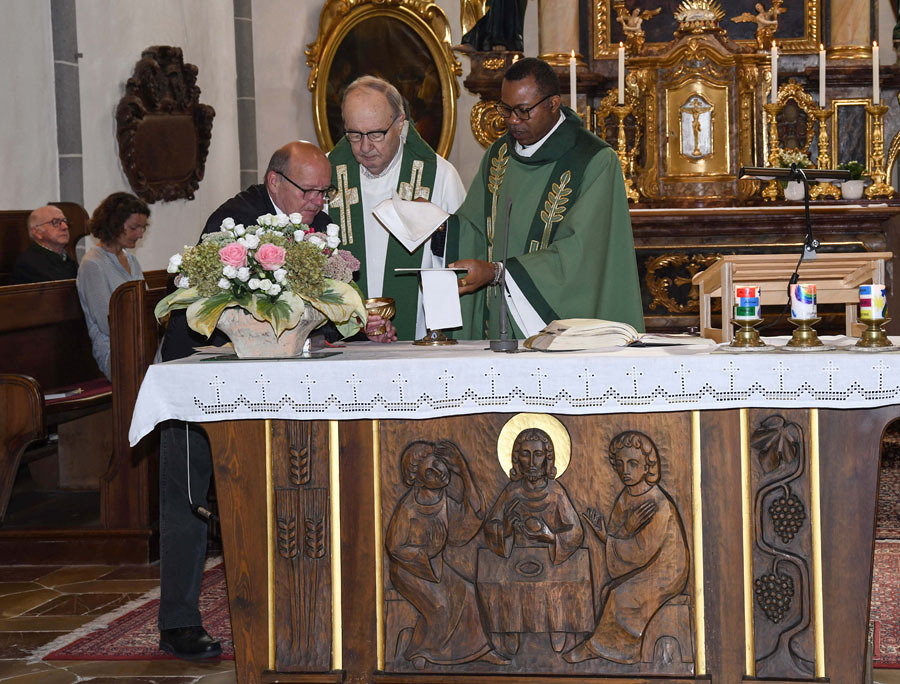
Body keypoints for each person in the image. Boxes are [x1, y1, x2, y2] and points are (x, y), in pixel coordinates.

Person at [156, 140, 359, 660]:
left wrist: (356, 324)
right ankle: (178, 623)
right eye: (308, 190)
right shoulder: (235, 224)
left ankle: (291, 606)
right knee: (188, 498)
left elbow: (311, 306)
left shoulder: (314, 223)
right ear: (274, 182)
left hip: (269, 382)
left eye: (323, 191)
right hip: (201, 377)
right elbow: (226, 307)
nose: (318, 201)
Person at [446, 57, 644, 340]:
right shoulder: (498, 156)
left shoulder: (594, 161)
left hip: (563, 332)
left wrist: (498, 272)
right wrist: (438, 228)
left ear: (553, 104)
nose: (513, 120)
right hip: (498, 323)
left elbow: (581, 255)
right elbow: (474, 228)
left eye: (523, 111)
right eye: (506, 109)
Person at [328, 75, 466, 340]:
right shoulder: (326, 176)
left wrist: (441, 230)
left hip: (418, 331)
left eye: (376, 134)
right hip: (344, 337)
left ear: (400, 123)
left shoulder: (439, 176)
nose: (365, 147)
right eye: (354, 135)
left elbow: (460, 254)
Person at [565, 430, 689, 664]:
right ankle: (610, 647)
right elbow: (621, 536)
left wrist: (608, 538)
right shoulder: (626, 496)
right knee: (607, 590)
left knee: (620, 596)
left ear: (647, 466)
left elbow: (641, 551)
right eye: (620, 464)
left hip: (666, 569)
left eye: (633, 463)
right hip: (644, 564)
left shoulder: (657, 502)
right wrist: (608, 534)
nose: (626, 471)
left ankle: (612, 650)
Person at [385, 440, 507, 668]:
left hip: (435, 566)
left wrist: (464, 470)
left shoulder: (444, 502)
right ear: (417, 478)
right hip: (409, 570)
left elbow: (472, 518)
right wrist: (425, 554)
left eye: (439, 463)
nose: (440, 471)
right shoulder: (409, 508)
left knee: (468, 592)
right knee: (440, 606)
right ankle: (420, 651)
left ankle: (479, 650)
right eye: (431, 471)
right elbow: (394, 547)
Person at [482, 427, 583, 655]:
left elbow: (576, 531)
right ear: (517, 459)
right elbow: (490, 527)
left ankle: (559, 626)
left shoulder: (556, 492)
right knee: (505, 584)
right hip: (516, 559)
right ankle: (510, 629)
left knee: (558, 585)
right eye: (525, 455)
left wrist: (550, 536)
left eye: (538, 454)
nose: (532, 462)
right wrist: (506, 528)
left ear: (548, 458)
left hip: (551, 559)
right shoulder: (512, 492)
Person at [76, 193, 148, 380]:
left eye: (143, 228)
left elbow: (147, 304)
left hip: (140, 342)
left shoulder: (131, 260)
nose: (140, 234)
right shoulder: (93, 264)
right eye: (134, 228)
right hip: (115, 350)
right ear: (113, 224)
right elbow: (106, 323)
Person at [11, 205, 78, 284]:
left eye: (64, 221)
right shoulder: (28, 264)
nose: (65, 227)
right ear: (37, 232)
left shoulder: (68, 259)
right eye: (55, 222)